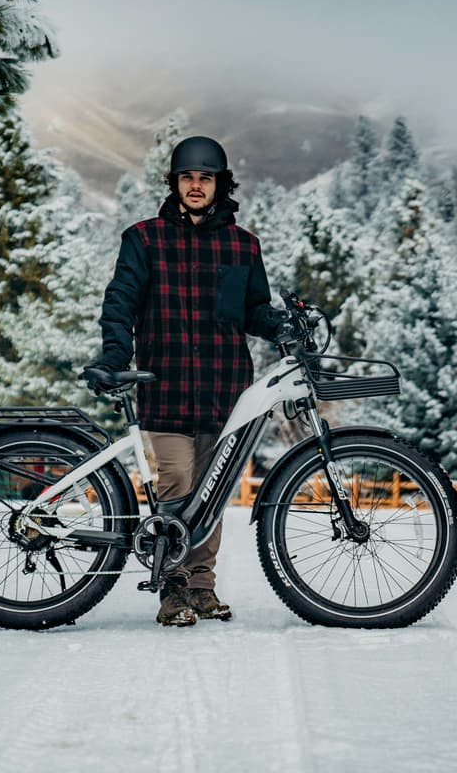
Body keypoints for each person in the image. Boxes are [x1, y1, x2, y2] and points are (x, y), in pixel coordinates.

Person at [85, 136, 287, 627]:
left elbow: (254, 310)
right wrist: (115, 354)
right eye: (187, 178)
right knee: (177, 483)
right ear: (175, 183)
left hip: (225, 390)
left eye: (205, 178)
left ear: (220, 185)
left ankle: (202, 586)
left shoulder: (243, 246)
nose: (196, 186)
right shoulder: (144, 239)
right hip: (166, 386)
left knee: (211, 494)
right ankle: (172, 585)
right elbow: (120, 303)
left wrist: (281, 324)